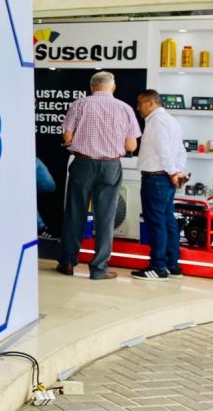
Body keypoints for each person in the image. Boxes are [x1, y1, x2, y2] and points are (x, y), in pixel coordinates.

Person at [57, 71, 141, 280]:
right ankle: (99, 268)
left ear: (91, 86)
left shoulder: (79, 105)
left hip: (83, 164)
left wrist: (75, 141)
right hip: (111, 166)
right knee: (106, 218)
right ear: (113, 87)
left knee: (75, 213)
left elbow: (67, 136)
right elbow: (131, 145)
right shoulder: (125, 108)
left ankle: (68, 262)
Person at [132, 90, 187, 281]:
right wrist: (177, 172)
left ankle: (158, 267)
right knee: (168, 221)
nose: (138, 108)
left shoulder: (156, 121)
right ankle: (173, 265)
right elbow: (181, 150)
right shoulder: (171, 120)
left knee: (156, 223)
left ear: (151, 103)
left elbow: (164, 151)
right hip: (166, 179)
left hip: (156, 178)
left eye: (140, 103)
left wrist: (173, 173)